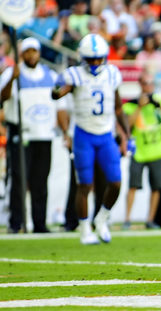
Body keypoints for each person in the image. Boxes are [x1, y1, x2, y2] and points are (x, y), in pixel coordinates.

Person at [52, 33, 131, 245]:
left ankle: (102, 218)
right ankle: (85, 228)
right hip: (83, 135)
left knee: (115, 182)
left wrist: (127, 135)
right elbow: (60, 93)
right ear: (82, 58)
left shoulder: (112, 74)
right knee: (84, 185)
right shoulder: (75, 75)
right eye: (91, 59)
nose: (95, 63)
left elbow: (117, 106)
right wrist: (56, 90)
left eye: (99, 59)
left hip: (105, 134)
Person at [0, 38, 68, 233]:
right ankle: (16, 222)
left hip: (44, 134)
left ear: (39, 53)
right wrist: (12, 78)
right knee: (19, 178)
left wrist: (65, 131)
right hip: (21, 134)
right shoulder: (12, 74)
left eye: (34, 52)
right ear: (22, 54)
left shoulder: (50, 76)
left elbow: (60, 106)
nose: (31, 55)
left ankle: (39, 222)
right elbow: (2, 98)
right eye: (27, 52)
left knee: (40, 180)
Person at [122, 73, 161, 230]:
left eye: (151, 83)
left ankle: (150, 219)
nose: (148, 86)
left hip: (157, 151)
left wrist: (159, 107)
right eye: (145, 83)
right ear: (140, 84)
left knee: (156, 187)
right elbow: (128, 126)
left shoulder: (159, 102)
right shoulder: (130, 104)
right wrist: (140, 106)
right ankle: (127, 219)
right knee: (133, 186)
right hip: (139, 151)